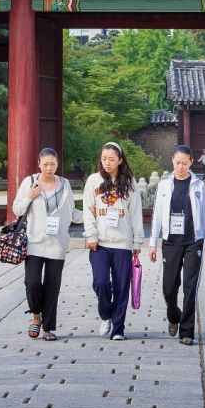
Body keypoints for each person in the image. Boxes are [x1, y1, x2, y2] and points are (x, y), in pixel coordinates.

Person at [12, 148, 81, 341]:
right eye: (45, 164)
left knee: (52, 285)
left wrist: (94, 216)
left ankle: (48, 327)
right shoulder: (30, 182)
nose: (49, 168)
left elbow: (72, 213)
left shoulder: (65, 185)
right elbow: (17, 208)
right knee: (32, 282)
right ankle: (36, 316)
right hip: (34, 241)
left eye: (52, 164)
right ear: (38, 164)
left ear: (58, 164)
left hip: (57, 242)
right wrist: (29, 197)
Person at [149, 145, 205, 346]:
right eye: (177, 163)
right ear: (172, 161)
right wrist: (153, 242)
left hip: (194, 241)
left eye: (185, 163)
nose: (181, 167)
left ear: (191, 163)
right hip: (171, 240)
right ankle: (173, 315)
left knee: (190, 286)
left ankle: (187, 332)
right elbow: (157, 215)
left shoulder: (198, 185)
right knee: (169, 287)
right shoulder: (164, 184)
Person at [83, 142, 144, 341]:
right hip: (99, 242)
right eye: (103, 158)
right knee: (100, 282)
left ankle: (118, 328)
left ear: (120, 160)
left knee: (121, 287)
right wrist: (90, 235)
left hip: (122, 242)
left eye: (111, 159)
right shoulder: (93, 181)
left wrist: (137, 242)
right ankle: (105, 314)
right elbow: (87, 209)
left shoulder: (129, 183)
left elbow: (135, 214)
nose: (107, 163)